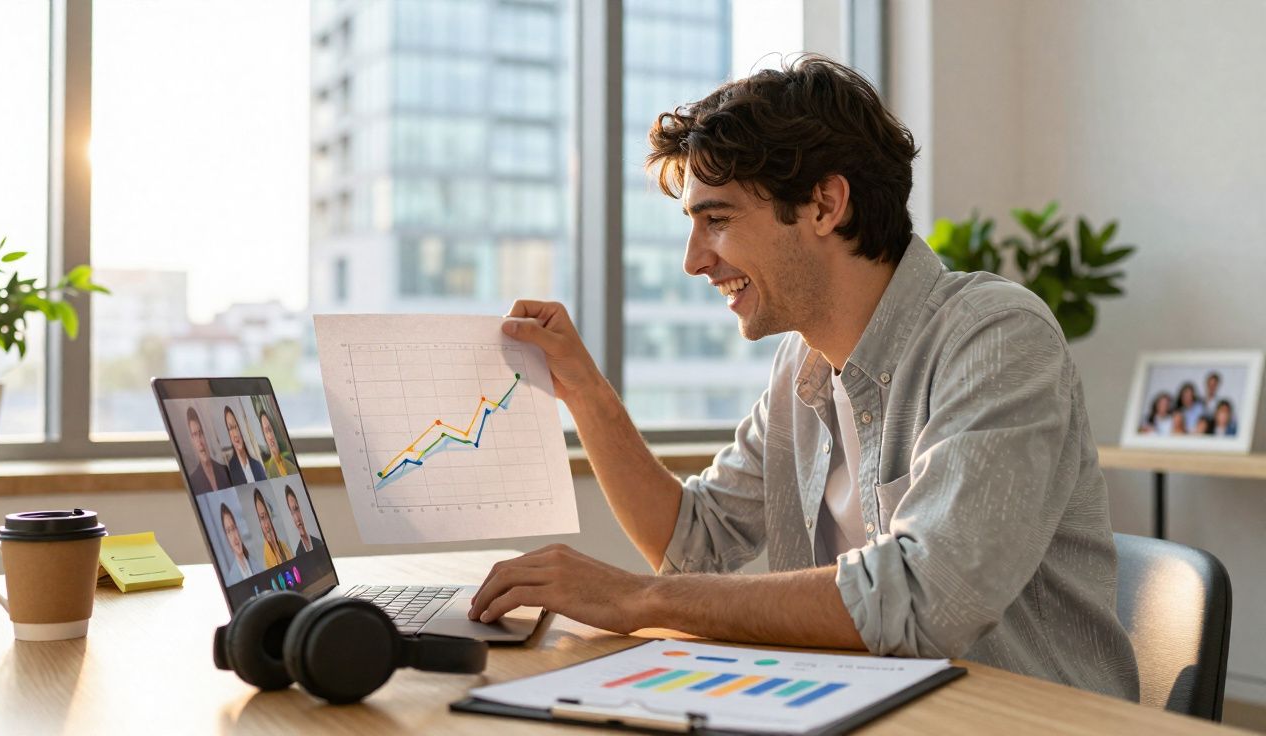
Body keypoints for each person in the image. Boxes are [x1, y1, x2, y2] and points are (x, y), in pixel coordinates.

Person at [467, 55, 1138, 700]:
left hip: (1025, 720)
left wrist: (636, 599)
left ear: (824, 204)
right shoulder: (802, 367)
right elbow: (696, 547)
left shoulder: (996, 337)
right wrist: (584, 390)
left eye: (717, 220)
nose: (694, 261)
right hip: (865, 708)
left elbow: (927, 600)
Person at [185, 407, 231, 494]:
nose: (200, 441)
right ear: (191, 440)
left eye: (201, 433)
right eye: (195, 435)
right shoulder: (193, 482)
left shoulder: (224, 470)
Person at [225, 405, 268, 485]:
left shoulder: (257, 465)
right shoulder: (229, 470)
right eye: (230, 428)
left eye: (236, 426)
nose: (235, 434)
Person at [253, 487, 293, 569]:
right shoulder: (265, 556)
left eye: (267, 515)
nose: (266, 525)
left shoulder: (284, 546)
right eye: (262, 518)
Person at [219, 503, 257, 584]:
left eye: (234, 528)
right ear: (227, 538)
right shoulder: (230, 581)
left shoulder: (256, 565)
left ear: (238, 530)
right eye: (229, 531)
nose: (234, 537)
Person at [259, 409, 299, 478]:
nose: (270, 436)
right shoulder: (269, 471)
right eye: (266, 431)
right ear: (264, 436)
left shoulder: (291, 465)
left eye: (270, 429)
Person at [284, 485, 324, 554]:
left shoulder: (319, 543)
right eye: (292, 513)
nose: (297, 518)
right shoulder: (298, 553)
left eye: (296, 509)